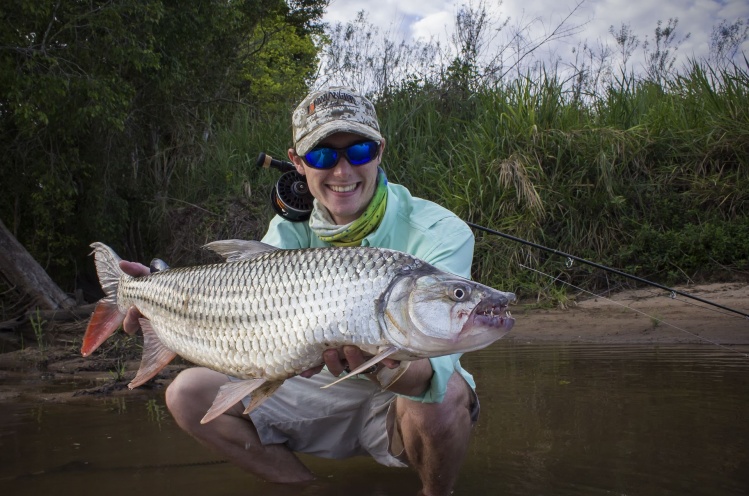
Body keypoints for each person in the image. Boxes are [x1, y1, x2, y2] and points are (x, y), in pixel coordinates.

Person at [120, 86, 478, 496]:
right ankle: (307, 488)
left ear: (380, 150)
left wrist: (377, 362)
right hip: (314, 386)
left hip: (397, 395)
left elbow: (433, 371)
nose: (342, 172)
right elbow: (245, 319)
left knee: (446, 393)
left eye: (358, 151)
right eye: (322, 156)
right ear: (297, 162)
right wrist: (158, 298)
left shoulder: (441, 232)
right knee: (185, 393)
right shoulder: (287, 230)